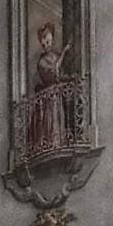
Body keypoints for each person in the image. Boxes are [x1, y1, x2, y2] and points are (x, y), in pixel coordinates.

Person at [28, 22, 72, 158]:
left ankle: (59, 143)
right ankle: (52, 145)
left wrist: (70, 78)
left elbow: (60, 76)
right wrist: (64, 52)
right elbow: (53, 73)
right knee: (51, 122)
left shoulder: (54, 56)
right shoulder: (41, 62)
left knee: (59, 119)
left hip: (57, 96)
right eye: (44, 43)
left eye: (48, 41)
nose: (46, 45)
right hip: (50, 98)